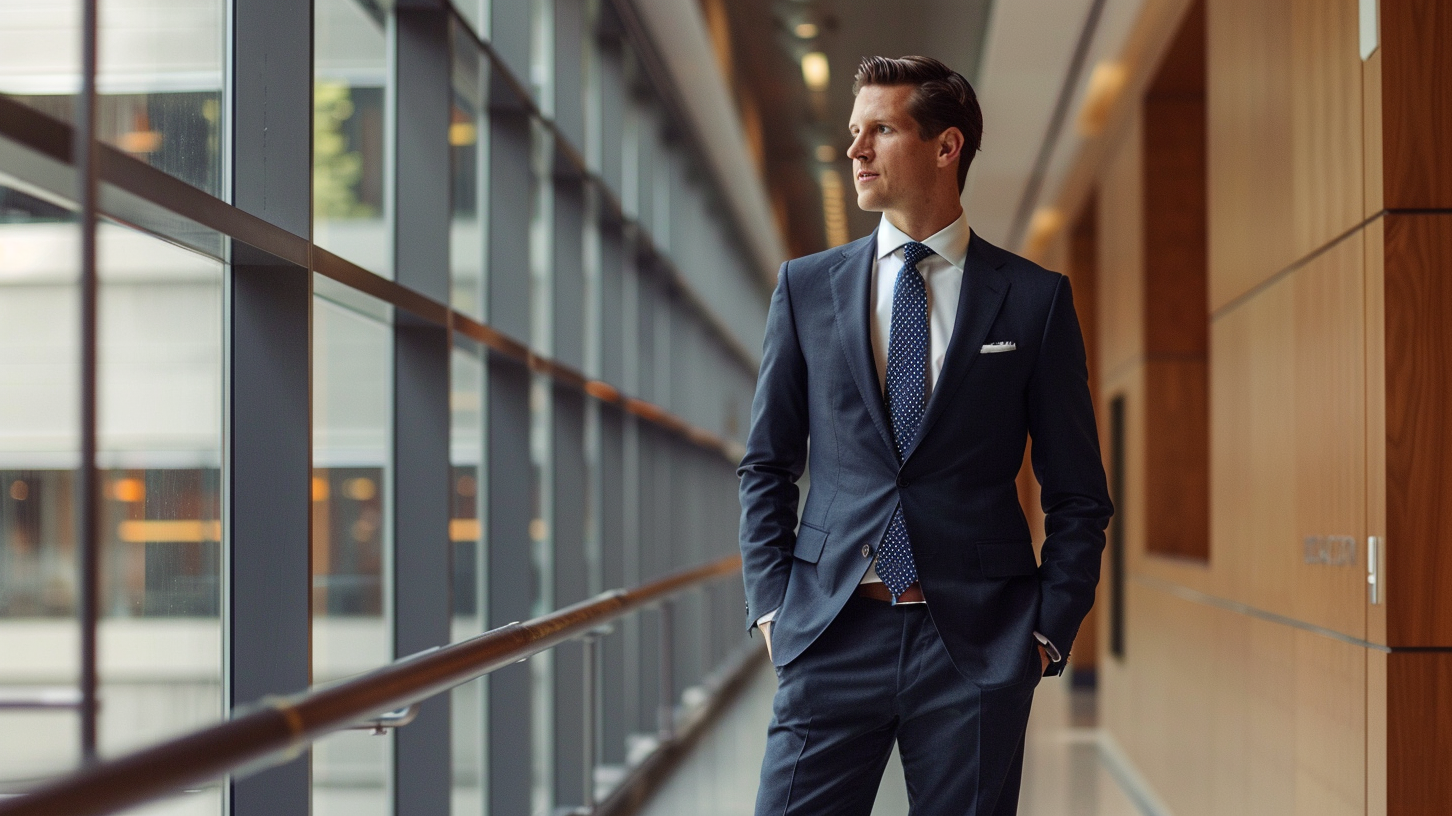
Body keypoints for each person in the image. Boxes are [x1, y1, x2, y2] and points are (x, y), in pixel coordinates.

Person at [738, 55, 1113, 815]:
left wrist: (1044, 632)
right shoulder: (806, 289)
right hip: (831, 629)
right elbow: (766, 464)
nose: (855, 151)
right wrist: (773, 607)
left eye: (879, 130)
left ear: (946, 148)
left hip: (976, 646)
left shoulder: (1034, 302)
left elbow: (1078, 493)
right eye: (854, 131)